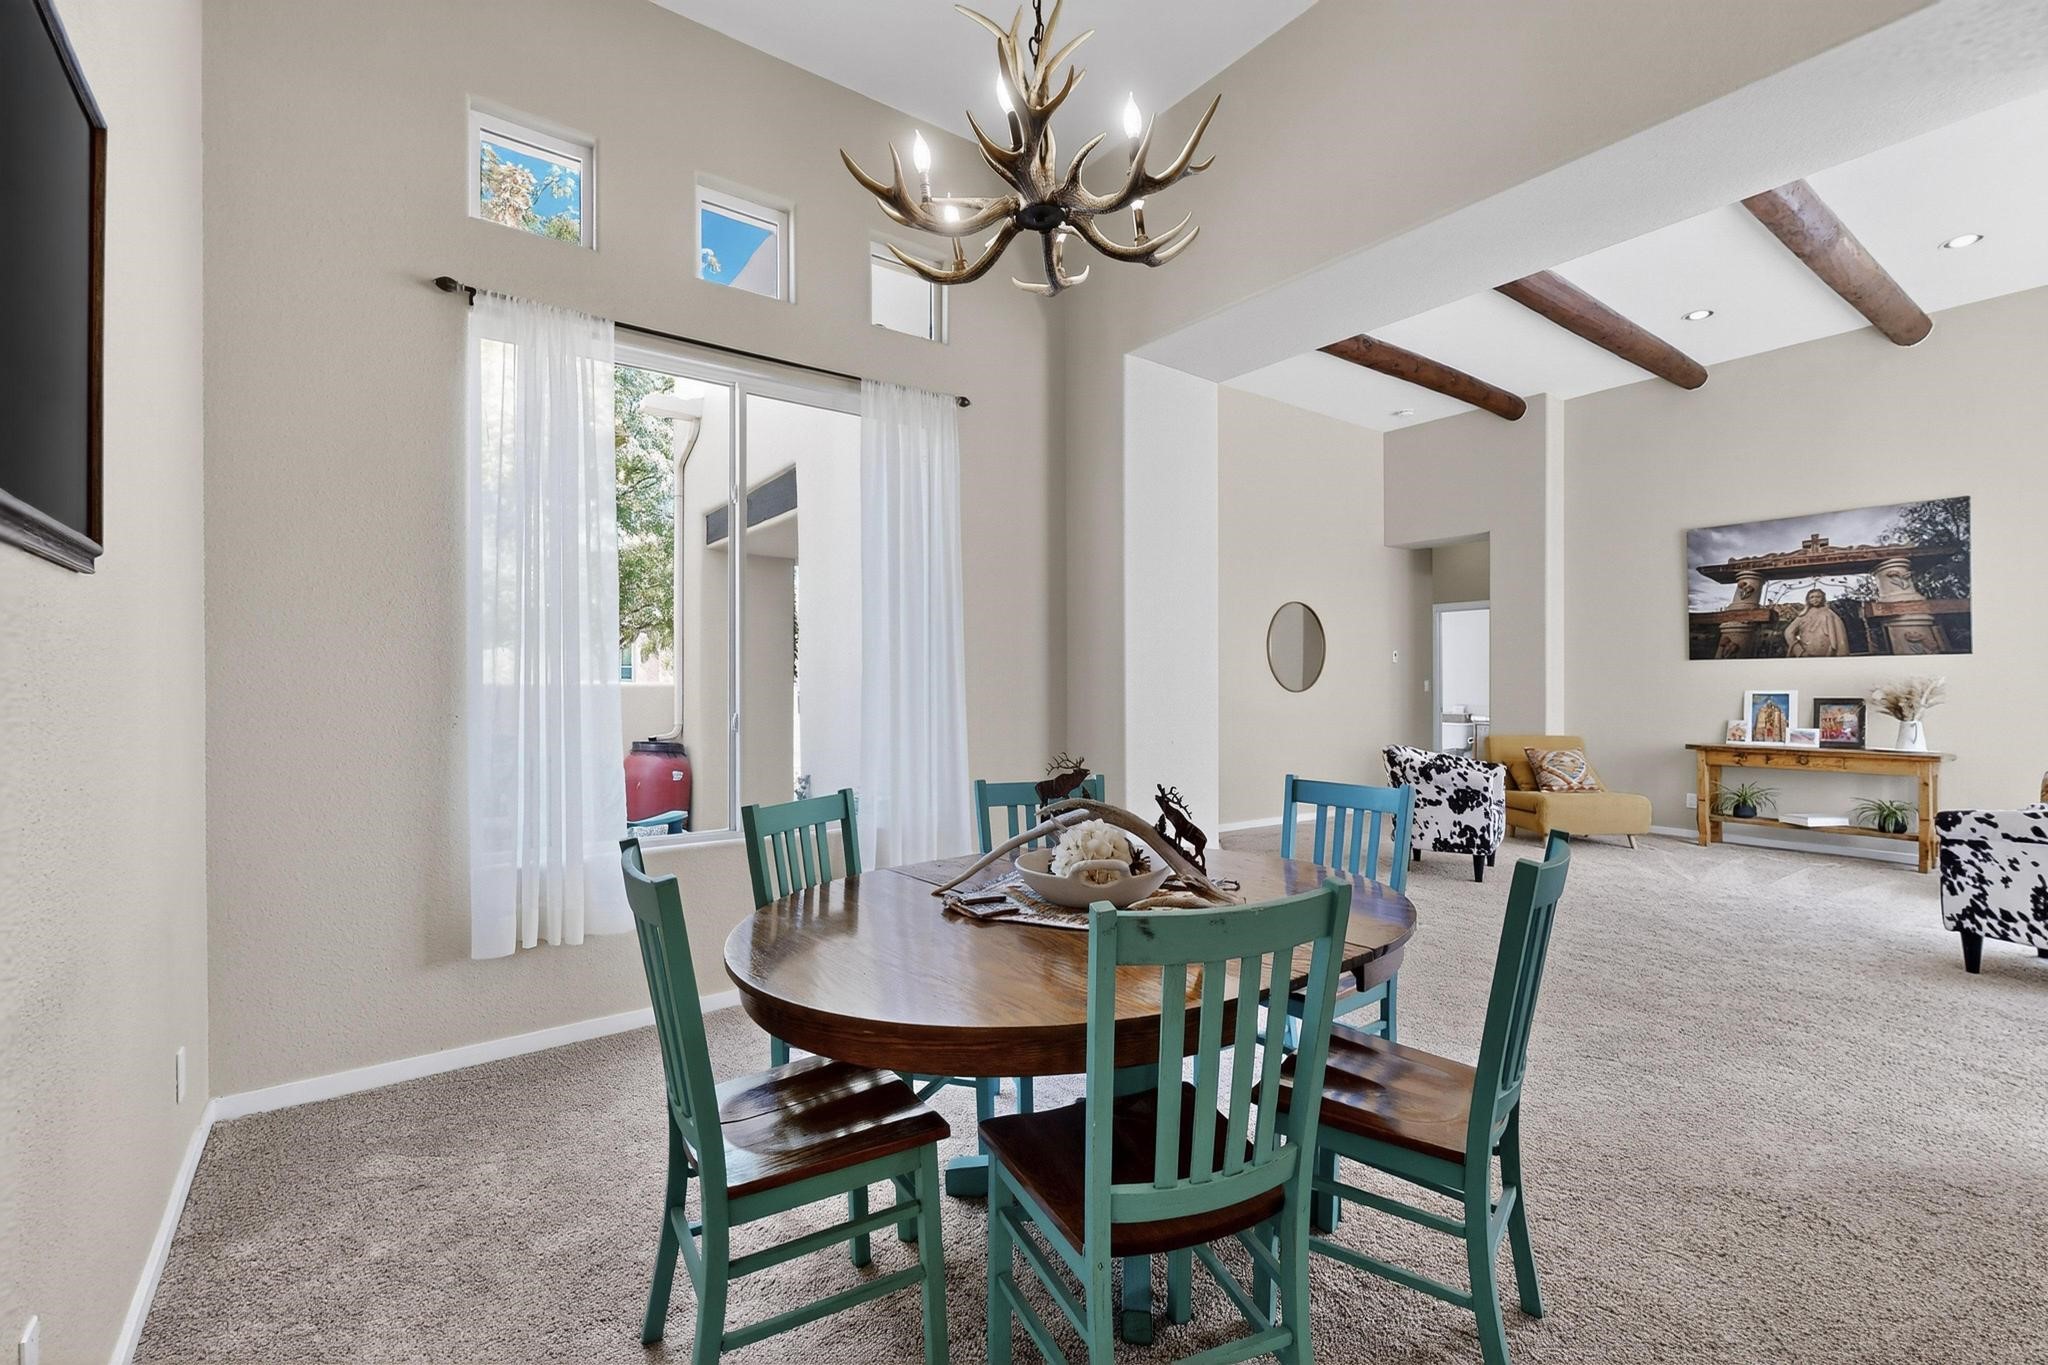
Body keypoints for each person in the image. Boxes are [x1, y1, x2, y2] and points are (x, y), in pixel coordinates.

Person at [1785, 587, 1850, 657]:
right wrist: (1799, 651)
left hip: (1827, 655)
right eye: (1812, 597)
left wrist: (1841, 655)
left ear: (1823, 598)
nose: (1815, 599)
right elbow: (1789, 632)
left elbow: (1840, 636)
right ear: (1808, 600)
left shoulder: (1830, 614)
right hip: (1806, 655)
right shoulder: (1803, 615)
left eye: (1818, 597)